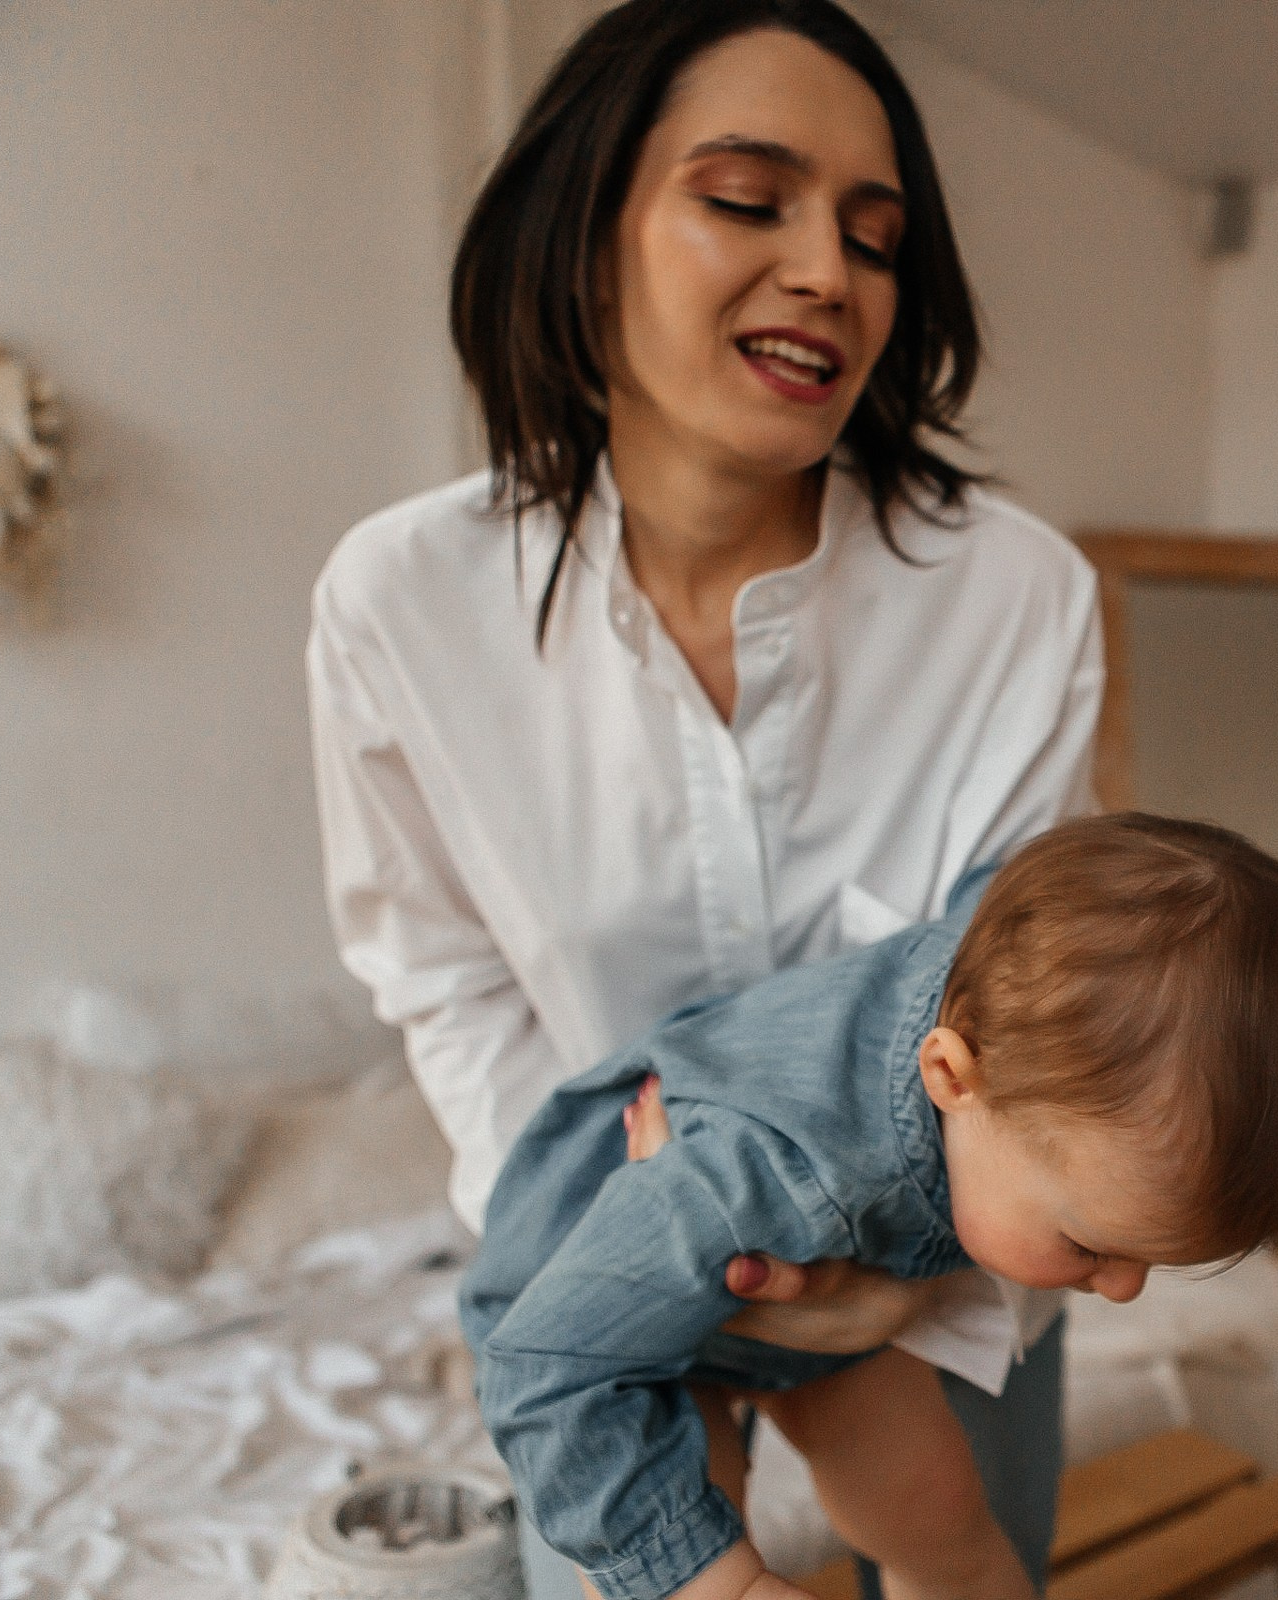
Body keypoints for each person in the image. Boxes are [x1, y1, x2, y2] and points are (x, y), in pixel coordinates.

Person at [306, 1, 1100, 1591]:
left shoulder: (1012, 598)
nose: (826, 272)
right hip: (598, 1245)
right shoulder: (401, 605)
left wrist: (887, 1289)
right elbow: (446, 981)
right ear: (583, 239)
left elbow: (1028, 1007)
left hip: (938, 1252)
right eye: (747, 199)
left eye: (873, 239)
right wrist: (626, 1250)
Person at [462, 815, 1278, 1600]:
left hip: (814, 1263)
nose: (1122, 1289)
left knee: (938, 1512)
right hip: (604, 1324)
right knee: (686, 1528)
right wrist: (723, 1583)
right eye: (1091, 1246)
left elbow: (1015, 889)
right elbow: (544, 1367)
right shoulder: (772, 1165)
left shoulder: (1016, 974)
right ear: (951, 1075)